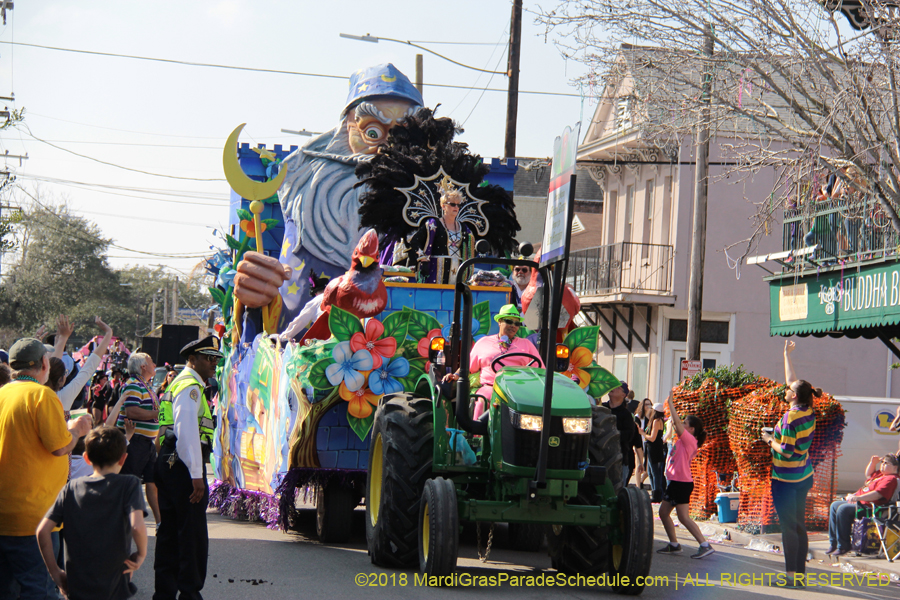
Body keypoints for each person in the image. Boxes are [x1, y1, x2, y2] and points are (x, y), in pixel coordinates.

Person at [0, 338, 92, 598]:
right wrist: (76, 430)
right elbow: (60, 447)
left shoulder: (3, 393)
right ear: (43, 363)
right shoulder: (42, 395)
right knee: (37, 589)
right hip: (32, 518)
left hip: (5, 514)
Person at [36, 426, 148, 600]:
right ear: (123, 458)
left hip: (77, 584)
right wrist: (141, 554)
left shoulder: (71, 488)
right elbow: (137, 527)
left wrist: (56, 573)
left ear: (86, 458)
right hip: (115, 584)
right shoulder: (129, 484)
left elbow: (42, 531)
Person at [154, 335, 222, 600]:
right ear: (192, 359)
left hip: (171, 461)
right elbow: (187, 433)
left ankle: (165, 593)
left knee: (170, 532)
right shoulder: (191, 385)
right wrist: (196, 475)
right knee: (191, 534)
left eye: (215, 358)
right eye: (208, 358)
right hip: (182, 465)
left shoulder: (183, 383)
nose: (213, 363)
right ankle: (189, 593)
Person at [761, 340, 819, 588]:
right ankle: (800, 575)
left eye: (789, 390)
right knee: (799, 526)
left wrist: (769, 439)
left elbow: (785, 451)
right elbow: (792, 382)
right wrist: (786, 355)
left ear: (794, 396)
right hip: (803, 476)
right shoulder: (808, 410)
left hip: (785, 480)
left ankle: (791, 577)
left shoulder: (788, 418)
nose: (784, 391)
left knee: (788, 529)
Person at [441, 305, 542, 419]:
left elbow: (540, 370)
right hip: (491, 387)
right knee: (482, 400)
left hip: (519, 389)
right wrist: (456, 375)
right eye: (509, 321)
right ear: (499, 321)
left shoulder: (526, 344)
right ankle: (477, 434)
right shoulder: (483, 342)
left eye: (517, 323)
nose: (513, 326)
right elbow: (468, 367)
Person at [657, 394, 714, 559]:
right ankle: (674, 544)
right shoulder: (682, 440)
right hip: (675, 482)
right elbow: (675, 423)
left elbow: (676, 422)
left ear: (691, 429)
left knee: (683, 517)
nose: (681, 425)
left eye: (685, 424)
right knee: (663, 512)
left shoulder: (690, 440)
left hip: (681, 483)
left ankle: (704, 544)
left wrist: (671, 404)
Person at [115, 352, 161, 526]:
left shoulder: (144, 384)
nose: (154, 364)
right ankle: (124, 524)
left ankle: (159, 522)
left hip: (145, 442)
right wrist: (159, 413)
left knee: (152, 482)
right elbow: (131, 411)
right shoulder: (133, 385)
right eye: (151, 361)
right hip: (134, 441)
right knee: (130, 482)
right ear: (143, 366)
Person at [826, 454, 900, 557]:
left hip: (872, 508)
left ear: (895, 467)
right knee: (834, 505)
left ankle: (843, 546)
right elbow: (869, 474)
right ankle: (834, 543)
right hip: (861, 503)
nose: (882, 465)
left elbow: (878, 494)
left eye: (886, 463)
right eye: (882, 463)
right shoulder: (881, 474)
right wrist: (873, 463)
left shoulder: (891, 478)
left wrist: (858, 498)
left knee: (843, 509)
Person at [410, 175, 476, 284]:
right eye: (452, 204)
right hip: (435, 271)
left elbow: (471, 248)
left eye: (458, 205)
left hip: (458, 273)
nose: (456, 207)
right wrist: (423, 258)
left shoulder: (464, 228)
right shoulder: (433, 224)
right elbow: (414, 242)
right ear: (443, 206)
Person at [602, 381, 638, 485]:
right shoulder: (602, 409)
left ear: (624, 395)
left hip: (619, 459)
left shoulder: (626, 415)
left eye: (618, 387)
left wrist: (612, 435)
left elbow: (629, 435)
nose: (613, 388)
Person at [640, 400, 667, 503]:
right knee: (651, 471)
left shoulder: (656, 421)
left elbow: (652, 438)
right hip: (654, 447)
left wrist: (642, 433)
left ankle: (656, 493)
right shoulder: (659, 420)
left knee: (654, 471)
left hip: (654, 447)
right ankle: (655, 492)